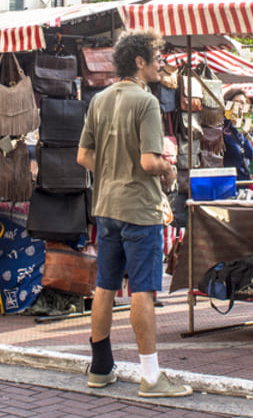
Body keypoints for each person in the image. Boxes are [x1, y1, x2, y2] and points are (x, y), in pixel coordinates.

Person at [77, 29, 192, 398]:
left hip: (106, 205)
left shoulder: (101, 99)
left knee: (105, 287)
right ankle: (151, 376)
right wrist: (168, 168)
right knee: (143, 290)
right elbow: (147, 161)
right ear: (140, 62)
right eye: (157, 58)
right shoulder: (146, 103)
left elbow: (84, 157)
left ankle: (100, 367)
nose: (161, 64)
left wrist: (112, 171)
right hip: (140, 210)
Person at [222, 89, 253, 182]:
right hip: (228, 184)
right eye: (236, 102)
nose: (240, 106)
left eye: (243, 103)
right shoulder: (222, 128)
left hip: (245, 181)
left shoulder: (247, 127)